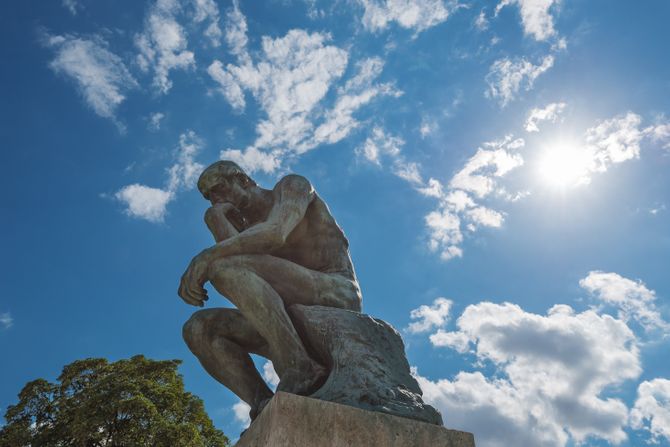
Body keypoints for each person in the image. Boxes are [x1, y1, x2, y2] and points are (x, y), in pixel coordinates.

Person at [179, 161, 362, 421]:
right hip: (285, 311)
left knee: (221, 265)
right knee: (199, 328)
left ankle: (300, 368)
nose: (215, 200)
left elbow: (276, 233)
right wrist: (216, 218)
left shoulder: (292, 186)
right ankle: (262, 405)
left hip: (334, 291)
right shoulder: (242, 227)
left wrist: (206, 257)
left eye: (219, 189)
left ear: (243, 180)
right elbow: (235, 263)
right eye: (209, 197)